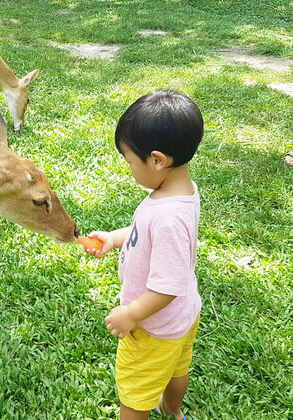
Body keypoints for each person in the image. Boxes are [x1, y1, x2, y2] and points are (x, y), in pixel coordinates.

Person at [82, 90, 204, 420]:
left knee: (135, 394)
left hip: (154, 327)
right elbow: (144, 233)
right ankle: (173, 408)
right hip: (182, 317)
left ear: (157, 159)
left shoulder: (167, 218)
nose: (128, 168)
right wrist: (115, 238)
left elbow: (168, 285)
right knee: (177, 368)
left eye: (129, 161)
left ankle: (165, 407)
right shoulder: (179, 193)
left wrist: (132, 313)